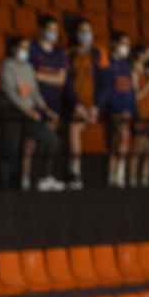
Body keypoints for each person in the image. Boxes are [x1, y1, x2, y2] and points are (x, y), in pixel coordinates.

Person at [0, 36, 62, 191]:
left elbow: (35, 93)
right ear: (13, 48)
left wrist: (46, 110)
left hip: (30, 115)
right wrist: (27, 111)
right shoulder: (7, 66)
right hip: (12, 114)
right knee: (9, 151)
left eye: (27, 48)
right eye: (22, 47)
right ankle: (3, 187)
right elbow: (11, 93)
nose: (25, 51)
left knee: (52, 140)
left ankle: (45, 177)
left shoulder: (28, 67)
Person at [63, 18, 103, 190]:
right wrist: (76, 105)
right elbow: (68, 83)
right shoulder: (69, 55)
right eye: (82, 31)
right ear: (76, 34)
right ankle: (75, 173)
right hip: (76, 106)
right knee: (74, 128)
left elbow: (104, 82)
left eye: (89, 31)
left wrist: (96, 107)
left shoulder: (99, 54)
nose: (86, 35)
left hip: (95, 106)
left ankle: (119, 176)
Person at [96, 32, 136, 188]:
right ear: (114, 43)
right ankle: (111, 176)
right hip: (113, 110)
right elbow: (107, 89)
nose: (126, 47)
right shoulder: (107, 64)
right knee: (114, 142)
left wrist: (131, 109)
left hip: (126, 110)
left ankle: (120, 174)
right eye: (123, 43)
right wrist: (113, 108)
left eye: (128, 44)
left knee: (122, 139)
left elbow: (130, 90)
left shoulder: (126, 65)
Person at [30, 14, 67, 133]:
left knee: (51, 133)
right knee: (33, 136)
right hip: (35, 97)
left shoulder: (59, 52)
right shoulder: (32, 48)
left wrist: (40, 76)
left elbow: (61, 79)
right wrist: (51, 77)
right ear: (41, 29)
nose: (54, 33)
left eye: (56, 30)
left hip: (54, 98)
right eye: (51, 29)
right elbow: (30, 75)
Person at [129, 45, 149, 187]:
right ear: (140, 54)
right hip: (140, 113)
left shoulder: (148, 72)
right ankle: (133, 181)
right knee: (138, 150)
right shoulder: (133, 71)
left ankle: (146, 181)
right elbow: (135, 97)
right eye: (148, 53)